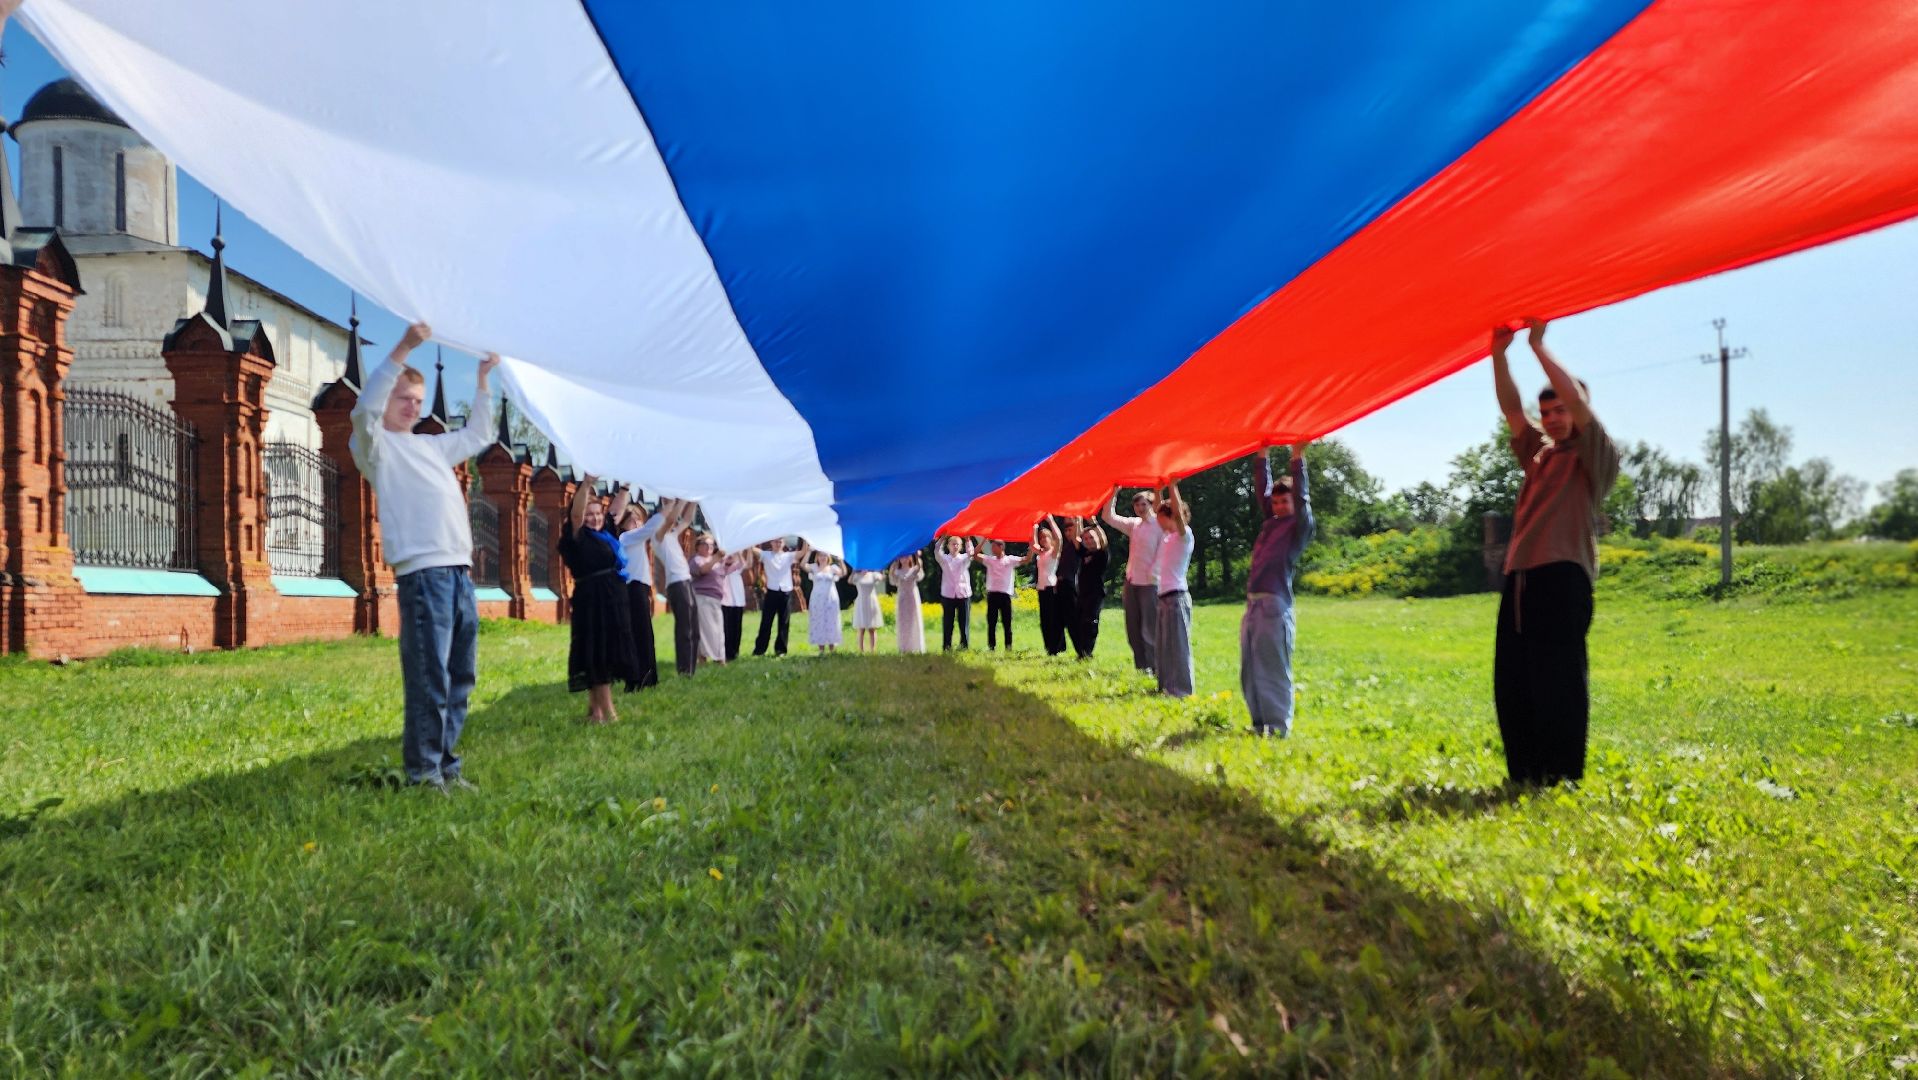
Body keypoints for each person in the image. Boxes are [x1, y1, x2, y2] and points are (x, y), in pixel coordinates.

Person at [348, 322, 495, 791]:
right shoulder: (376, 448)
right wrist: (405, 348)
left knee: (460, 675)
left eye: (417, 400)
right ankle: (424, 773)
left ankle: (446, 765)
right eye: (402, 398)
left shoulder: (432, 447)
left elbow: (480, 433)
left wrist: (483, 380)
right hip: (424, 575)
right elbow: (362, 411)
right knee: (430, 675)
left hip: (459, 574)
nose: (411, 407)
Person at [1491, 318, 1620, 786]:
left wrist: (1537, 346)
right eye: (1546, 412)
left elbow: (1580, 407)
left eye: (1561, 410)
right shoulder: (1539, 455)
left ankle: (1561, 774)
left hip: (1563, 578)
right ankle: (1525, 771)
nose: (1552, 419)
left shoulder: (1594, 457)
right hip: (1521, 579)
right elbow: (1512, 410)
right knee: (1515, 679)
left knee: (1559, 677)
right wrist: (1499, 355)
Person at [1241, 444, 1315, 737]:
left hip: (1274, 606)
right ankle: (1260, 724)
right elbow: (1263, 489)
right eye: (1276, 502)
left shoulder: (1298, 528)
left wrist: (1297, 457)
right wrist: (1262, 455)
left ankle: (1278, 727)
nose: (1280, 506)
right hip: (1253, 605)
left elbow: (1302, 498)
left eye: (1285, 501)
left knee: (1272, 666)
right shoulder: (1270, 523)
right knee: (1250, 667)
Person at [559, 476, 642, 722]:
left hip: (611, 600)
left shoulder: (604, 534)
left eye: (597, 513)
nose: (594, 518)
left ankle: (595, 711)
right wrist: (586, 484)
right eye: (589, 514)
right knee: (599, 653)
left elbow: (615, 511)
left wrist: (625, 487)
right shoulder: (577, 536)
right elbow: (576, 515)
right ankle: (609, 712)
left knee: (602, 652)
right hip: (593, 602)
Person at [1103, 487, 1165, 673]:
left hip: (1150, 583)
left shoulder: (1160, 524)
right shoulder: (1134, 525)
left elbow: (1163, 552)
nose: (1140, 508)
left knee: (1150, 626)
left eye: (1143, 504)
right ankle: (1141, 666)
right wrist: (1113, 492)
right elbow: (1108, 516)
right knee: (1133, 625)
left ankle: (1154, 666)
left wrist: (1154, 574)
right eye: (1137, 505)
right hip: (1132, 581)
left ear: (1151, 505)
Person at [615, 496, 662, 692]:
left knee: (644, 633)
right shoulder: (625, 538)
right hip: (632, 589)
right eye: (632, 520)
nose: (636, 523)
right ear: (623, 524)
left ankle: (646, 677)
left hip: (639, 588)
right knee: (639, 634)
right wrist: (666, 508)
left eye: (639, 519)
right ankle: (638, 677)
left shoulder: (636, 540)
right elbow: (650, 528)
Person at [1153, 481, 1196, 697]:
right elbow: (1158, 509)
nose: (1158, 522)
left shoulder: (1183, 535)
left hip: (1176, 597)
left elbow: (1177, 514)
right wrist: (1157, 490)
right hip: (1163, 597)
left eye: (1162, 519)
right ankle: (1166, 687)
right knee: (1163, 645)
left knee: (1178, 645)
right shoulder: (1168, 537)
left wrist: (1172, 486)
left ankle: (1181, 691)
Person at [653, 497, 700, 676]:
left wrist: (693, 499)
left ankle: (691, 668)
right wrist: (680, 500)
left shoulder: (671, 536)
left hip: (686, 581)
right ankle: (684, 670)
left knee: (694, 628)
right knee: (685, 628)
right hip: (677, 584)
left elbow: (686, 520)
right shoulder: (657, 537)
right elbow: (671, 519)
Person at [691, 535, 745, 664]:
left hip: (716, 600)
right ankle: (704, 658)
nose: (709, 547)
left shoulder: (716, 562)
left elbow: (739, 565)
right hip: (702, 598)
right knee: (705, 629)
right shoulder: (696, 560)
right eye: (705, 544)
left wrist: (736, 551)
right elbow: (703, 570)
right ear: (698, 546)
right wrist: (717, 557)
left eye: (711, 544)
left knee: (718, 630)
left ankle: (719, 658)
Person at [974, 539, 1033, 651]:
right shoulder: (989, 560)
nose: (992, 549)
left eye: (994, 547)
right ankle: (991, 647)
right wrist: (983, 541)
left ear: (1001, 547)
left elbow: (1027, 559)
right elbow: (975, 555)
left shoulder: (1010, 560)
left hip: (1005, 596)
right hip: (992, 595)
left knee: (1007, 622)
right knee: (992, 622)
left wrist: (1031, 547)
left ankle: (1008, 647)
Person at [754, 536, 807, 656]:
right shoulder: (766, 555)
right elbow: (753, 549)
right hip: (771, 591)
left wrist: (805, 538)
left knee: (784, 622)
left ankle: (781, 650)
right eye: (775, 542)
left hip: (785, 591)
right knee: (766, 621)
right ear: (771, 543)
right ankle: (760, 649)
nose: (777, 544)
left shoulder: (788, 556)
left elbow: (803, 552)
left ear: (783, 543)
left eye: (780, 542)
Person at [1074, 522, 1111, 659]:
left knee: (1089, 622)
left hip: (1095, 594)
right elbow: (1077, 539)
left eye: (1091, 537)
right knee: (1079, 622)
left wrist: (1094, 524)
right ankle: (1081, 652)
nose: (1089, 540)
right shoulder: (1084, 553)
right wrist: (1078, 520)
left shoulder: (1102, 553)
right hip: (1082, 593)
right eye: (1086, 539)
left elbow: (1103, 540)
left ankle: (1087, 652)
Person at [934, 536, 977, 651]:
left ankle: (964, 646)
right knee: (948, 622)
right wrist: (943, 538)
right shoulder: (944, 559)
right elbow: (937, 550)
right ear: (948, 546)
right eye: (953, 544)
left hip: (963, 594)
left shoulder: (964, 558)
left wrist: (968, 540)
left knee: (964, 622)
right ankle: (947, 646)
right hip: (948, 595)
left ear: (961, 546)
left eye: (957, 544)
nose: (955, 546)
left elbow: (971, 553)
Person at [1032, 521, 1064, 655]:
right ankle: (1048, 647)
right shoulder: (1040, 553)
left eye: (1046, 537)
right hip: (1042, 589)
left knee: (1054, 618)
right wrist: (1034, 528)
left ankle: (1058, 647)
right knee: (1044, 620)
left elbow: (1059, 538)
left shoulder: (1053, 552)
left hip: (1052, 588)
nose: (1043, 539)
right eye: (1041, 538)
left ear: (1051, 539)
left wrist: (1050, 520)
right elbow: (1032, 544)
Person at [805, 550, 846, 653]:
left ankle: (832, 648)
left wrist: (840, 561)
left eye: (825, 555)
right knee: (819, 620)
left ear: (828, 557)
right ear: (817, 557)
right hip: (817, 599)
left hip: (830, 598)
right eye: (820, 555)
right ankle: (821, 649)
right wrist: (809, 552)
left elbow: (843, 573)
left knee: (831, 620)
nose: (823, 558)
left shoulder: (833, 568)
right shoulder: (814, 567)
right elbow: (802, 565)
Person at [890, 554, 926, 654]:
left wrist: (917, 558)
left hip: (912, 597)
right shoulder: (897, 571)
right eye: (902, 557)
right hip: (902, 598)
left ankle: (916, 646)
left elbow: (920, 575)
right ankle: (904, 647)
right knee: (903, 622)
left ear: (910, 557)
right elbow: (893, 581)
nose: (904, 559)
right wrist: (893, 565)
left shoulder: (914, 569)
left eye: (906, 556)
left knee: (914, 620)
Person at [849, 568, 886, 653]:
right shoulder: (857, 576)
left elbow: (882, 578)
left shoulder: (873, 574)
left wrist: (881, 569)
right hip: (861, 602)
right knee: (861, 628)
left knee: (872, 628)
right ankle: (861, 650)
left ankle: (873, 650)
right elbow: (850, 581)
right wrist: (853, 571)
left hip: (871, 602)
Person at [722, 556, 749, 661]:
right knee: (726, 628)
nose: (730, 557)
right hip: (725, 601)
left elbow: (746, 563)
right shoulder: (720, 566)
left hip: (738, 601)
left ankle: (735, 652)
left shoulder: (737, 567)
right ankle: (726, 652)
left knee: (737, 628)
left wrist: (741, 552)